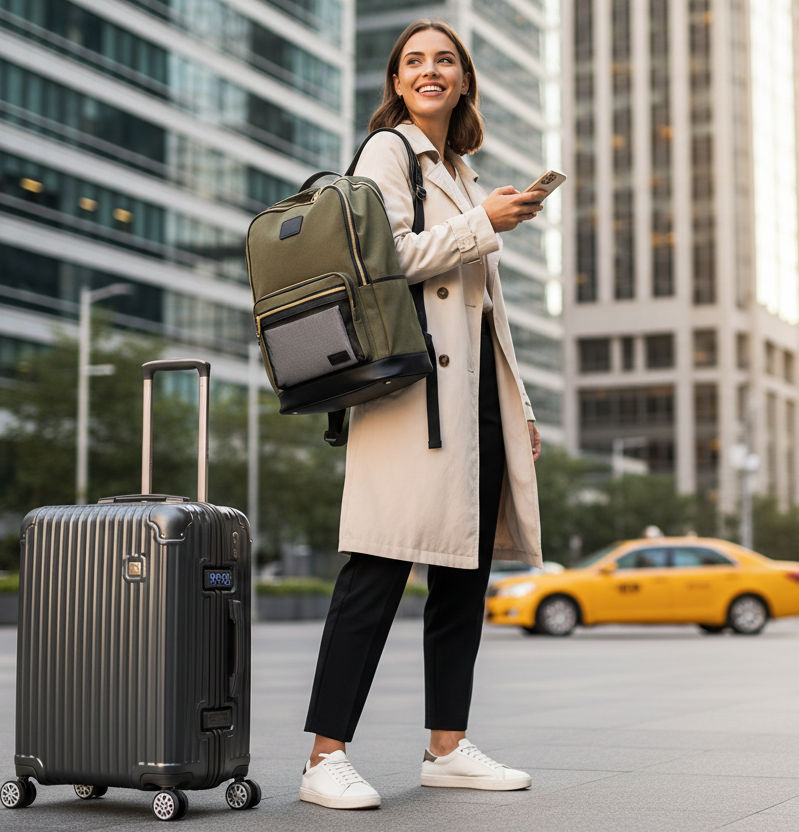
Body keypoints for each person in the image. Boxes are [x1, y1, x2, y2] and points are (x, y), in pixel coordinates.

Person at [297, 19, 546, 810]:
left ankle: (447, 745)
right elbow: (385, 257)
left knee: (462, 575)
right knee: (377, 565)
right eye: (414, 61)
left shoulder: (463, 173)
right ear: (398, 82)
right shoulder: (389, 151)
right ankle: (324, 757)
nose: (430, 70)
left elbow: (488, 313)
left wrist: (520, 407)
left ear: (464, 79)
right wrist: (483, 226)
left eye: (444, 60)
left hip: (473, 398)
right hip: (411, 398)